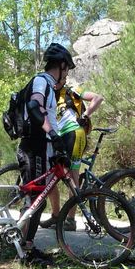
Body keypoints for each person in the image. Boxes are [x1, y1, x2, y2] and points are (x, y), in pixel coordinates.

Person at [17, 42, 75, 266]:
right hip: (35, 147)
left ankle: (26, 247)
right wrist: (53, 134)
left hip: (43, 147)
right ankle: (24, 250)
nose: (66, 75)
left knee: (38, 200)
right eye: (67, 69)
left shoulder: (49, 85)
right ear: (61, 65)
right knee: (36, 200)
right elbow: (34, 106)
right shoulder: (42, 81)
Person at [41, 81, 104, 230]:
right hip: (58, 136)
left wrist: (85, 115)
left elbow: (98, 98)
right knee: (51, 174)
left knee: (73, 177)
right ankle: (56, 216)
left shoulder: (71, 89)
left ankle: (70, 220)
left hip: (74, 133)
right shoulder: (49, 94)